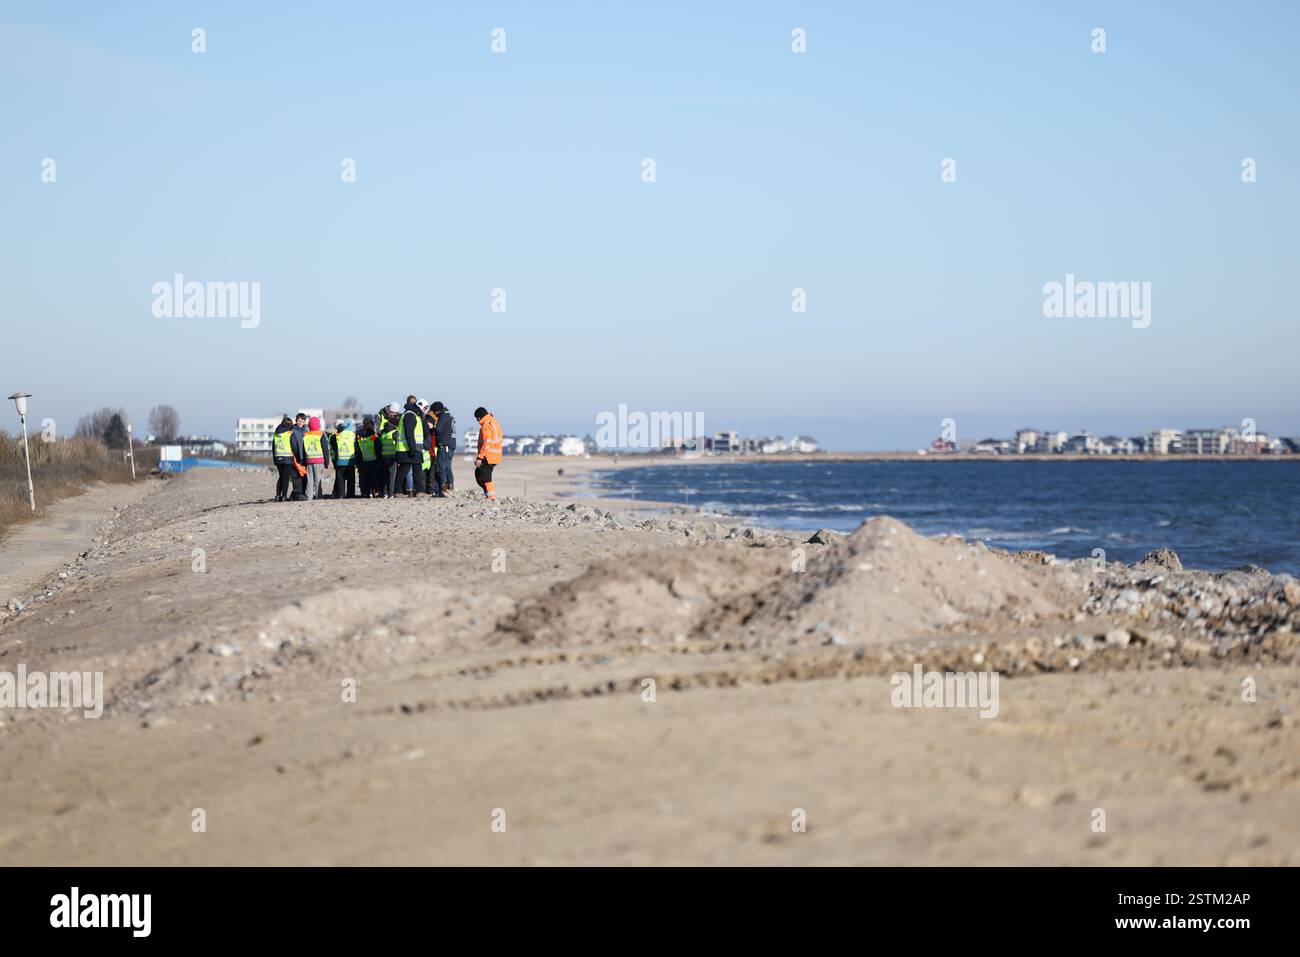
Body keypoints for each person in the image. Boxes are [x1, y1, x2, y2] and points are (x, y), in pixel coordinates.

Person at [394, 395, 427, 497]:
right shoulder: (410, 415)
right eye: (425, 408)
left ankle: (402, 491)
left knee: (412, 470)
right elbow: (409, 433)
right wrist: (413, 449)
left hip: (409, 448)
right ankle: (400, 491)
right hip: (408, 449)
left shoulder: (413, 415)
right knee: (409, 470)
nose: (426, 411)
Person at [271, 413, 304, 501]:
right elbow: (294, 446)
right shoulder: (290, 433)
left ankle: (278, 495)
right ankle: (284, 496)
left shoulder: (276, 433)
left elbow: (273, 447)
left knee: (281, 476)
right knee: (285, 477)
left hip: (278, 458)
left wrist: (274, 458)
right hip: (287, 458)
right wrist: (298, 456)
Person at [473, 406, 502, 500]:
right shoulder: (494, 422)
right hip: (496, 456)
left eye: (477, 418)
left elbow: (486, 443)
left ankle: (491, 497)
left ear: (479, 417)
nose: (477, 421)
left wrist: (480, 457)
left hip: (488, 456)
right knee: (480, 473)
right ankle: (489, 495)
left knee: (485, 477)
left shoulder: (485, 426)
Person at [301, 415, 330, 500]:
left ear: (309, 425)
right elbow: (325, 449)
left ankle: (308, 496)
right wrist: (326, 462)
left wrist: (304, 461)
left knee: (309, 480)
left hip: (309, 460)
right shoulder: (321, 435)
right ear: (318, 425)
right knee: (318, 479)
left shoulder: (305, 435)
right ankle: (318, 496)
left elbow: (303, 449)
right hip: (319, 461)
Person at [430, 401, 456, 496]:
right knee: (448, 467)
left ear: (437, 411)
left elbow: (438, 430)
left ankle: (443, 488)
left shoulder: (444, 416)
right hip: (451, 446)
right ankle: (450, 486)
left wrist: (432, 428)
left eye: (434, 412)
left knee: (441, 467)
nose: (434, 415)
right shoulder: (450, 416)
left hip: (444, 446)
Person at [331, 419, 358, 498]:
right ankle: (351, 494)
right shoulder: (353, 435)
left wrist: (335, 460)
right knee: (351, 480)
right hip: (351, 461)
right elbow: (356, 448)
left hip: (340, 461)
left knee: (340, 479)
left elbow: (335, 449)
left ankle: (341, 495)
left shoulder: (337, 436)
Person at [355, 416, 380, 498]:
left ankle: (364, 492)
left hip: (363, 459)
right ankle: (373, 491)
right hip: (373, 459)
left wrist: (358, 461)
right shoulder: (373, 437)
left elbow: (358, 448)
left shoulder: (360, 436)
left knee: (364, 477)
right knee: (373, 477)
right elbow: (377, 449)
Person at [379, 404, 401, 497]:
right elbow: (397, 445)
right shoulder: (395, 433)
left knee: (385, 476)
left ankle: (385, 493)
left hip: (384, 456)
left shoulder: (383, 433)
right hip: (393, 456)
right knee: (392, 476)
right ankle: (391, 493)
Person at [422, 402, 437, 496]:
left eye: (430, 423)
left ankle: (431, 490)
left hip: (432, 455)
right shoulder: (426, 432)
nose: (429, 424)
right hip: (427, 456)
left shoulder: (434, 433)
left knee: (432, 475)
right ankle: (427, 489)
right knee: (425, 474)